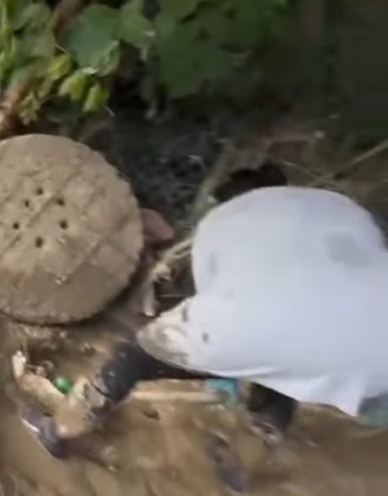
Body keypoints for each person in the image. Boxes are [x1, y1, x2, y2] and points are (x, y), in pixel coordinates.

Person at [21, 183, 388, 491]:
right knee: (285, 367)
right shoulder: (321, 212)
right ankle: (245, 466)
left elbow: (143, 353)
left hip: (359, 366)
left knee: (136, 357)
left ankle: (59, 431)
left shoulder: (224, 302)